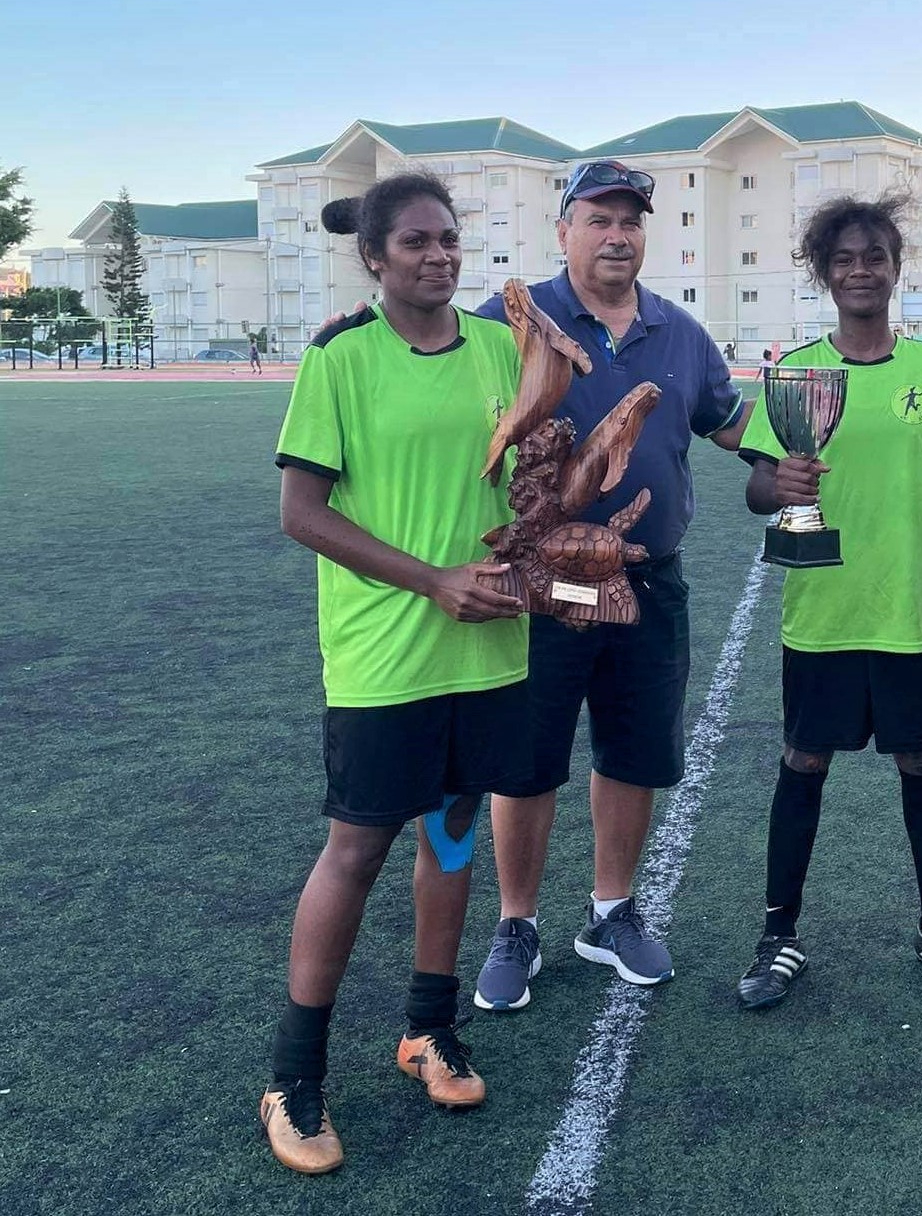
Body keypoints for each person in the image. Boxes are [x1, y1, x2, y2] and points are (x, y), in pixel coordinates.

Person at [261, 171, 530, 1174]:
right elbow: (303, 513)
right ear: (376, 257)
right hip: (385, 654)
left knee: (455, 832)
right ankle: (295, 1076)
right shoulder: (341, 355)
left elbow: (522, 475)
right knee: (356, 851)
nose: (438, 255)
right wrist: (433, 581)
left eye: (449, 238)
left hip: (489, 645)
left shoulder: (502, 349)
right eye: (415, 241)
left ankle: (428, 1026)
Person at [469, 160, 749, 1010]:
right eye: (597, 218)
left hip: (645, 584)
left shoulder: (679, 332)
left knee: (632, 751)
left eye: (629, 220)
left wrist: (810, 439)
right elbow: (443, 390)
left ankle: (611, 911)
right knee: (525, 761)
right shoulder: (509, 320)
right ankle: (516, 922)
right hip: (538, 587)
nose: (616, 234)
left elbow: (731, 424)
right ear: (562, 231)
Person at [734, 192, 922, 1010]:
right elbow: (755, 488)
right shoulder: (795, 376)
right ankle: (778, 938)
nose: (859, 269)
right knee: (803, 762)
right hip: (822, 615)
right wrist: (777, 482)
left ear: (894, 268)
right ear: (823, 272)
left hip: (912, 610)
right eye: (842, 258)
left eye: (873, 257)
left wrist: (900, 497)